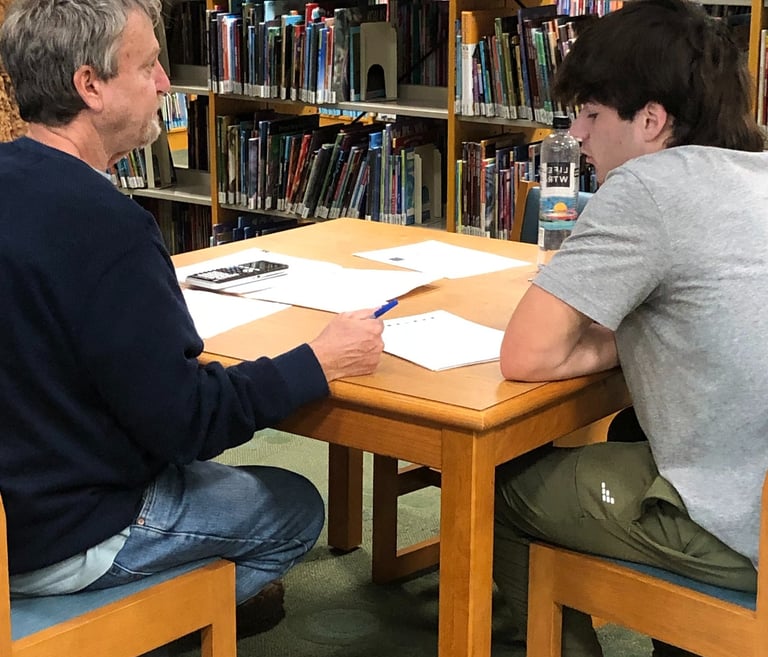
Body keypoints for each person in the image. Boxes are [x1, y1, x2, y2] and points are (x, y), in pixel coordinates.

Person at [0, 0, 384, 637]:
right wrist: (316, 362)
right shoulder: (108, 227)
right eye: (148, 65)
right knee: (292, 506)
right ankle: (109, 629)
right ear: (90, 85)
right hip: (61, 531)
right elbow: (184, 424)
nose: (163, 83)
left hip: (20, 497)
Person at [493, 1, 768, 656]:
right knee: (626, 429)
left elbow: (528, 353)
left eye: (591, 114)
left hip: (743, 524)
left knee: (495, 488)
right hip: (757, 475)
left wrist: (618, 341)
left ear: (650, 120)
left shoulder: (647, 185)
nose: (577, 134)